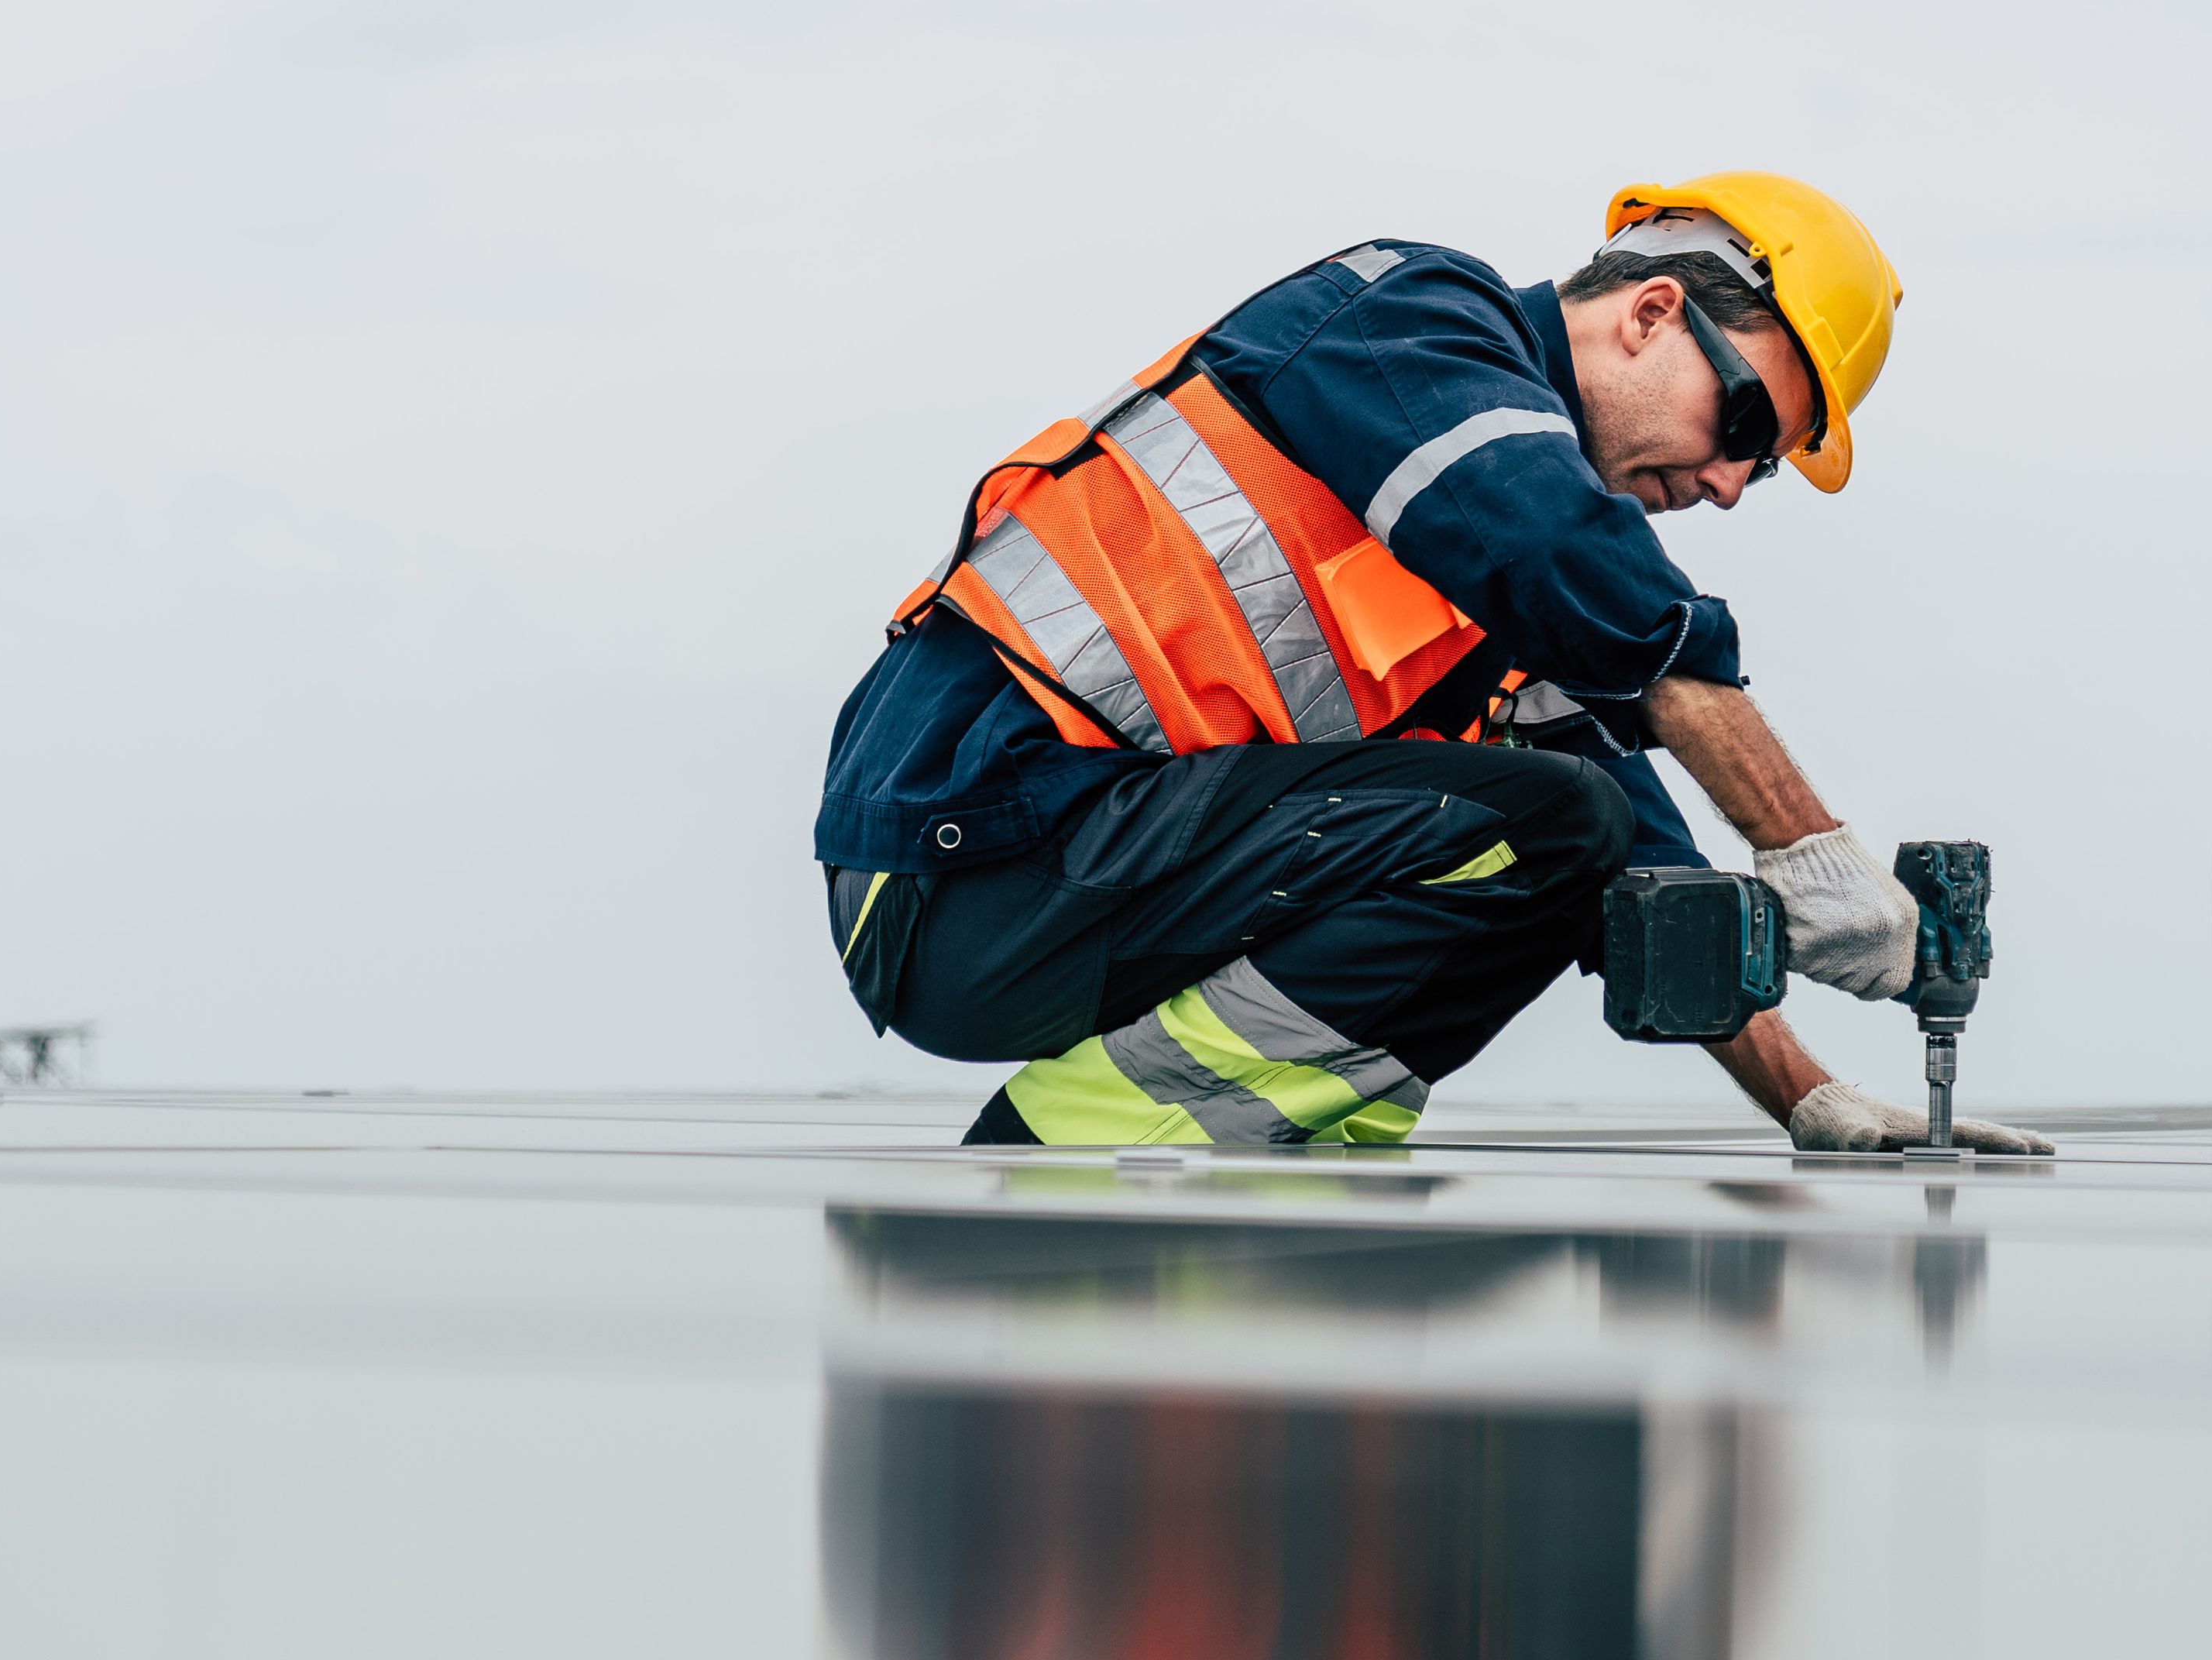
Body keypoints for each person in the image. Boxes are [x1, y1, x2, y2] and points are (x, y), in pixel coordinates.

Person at [817, 174, 2044, 1154]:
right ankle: (1097, 1130)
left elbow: (1641, 863)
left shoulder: (1505, 581)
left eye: (1761, 470)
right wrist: (1803, 843)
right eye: (1743, 429)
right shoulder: (1407, 320)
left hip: (1075, 885)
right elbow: (1565, 554)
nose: (1728, 486)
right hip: (966, 852)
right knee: (1556, 820)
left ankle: (1267, 1129)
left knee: (1579, 820)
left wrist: (1811, 1103)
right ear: (1653, 312)